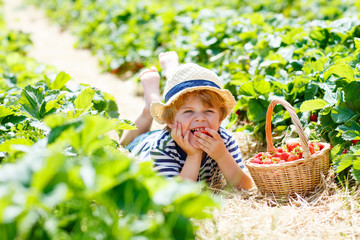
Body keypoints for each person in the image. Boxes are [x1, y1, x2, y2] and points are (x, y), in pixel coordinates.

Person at [121, 51, 252, 190]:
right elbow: (175, 195)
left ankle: (173, 75)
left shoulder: (223, 140)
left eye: (209, 111)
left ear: (221, 118)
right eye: (188, 111)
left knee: (181, 99)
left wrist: (222, 156)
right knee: (124, 144)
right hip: (144, 145)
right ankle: (149, 108)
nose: (200, 118)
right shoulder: (163, 146)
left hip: (174, 127)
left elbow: (245, 187)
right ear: (169, 121)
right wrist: (193, 155)